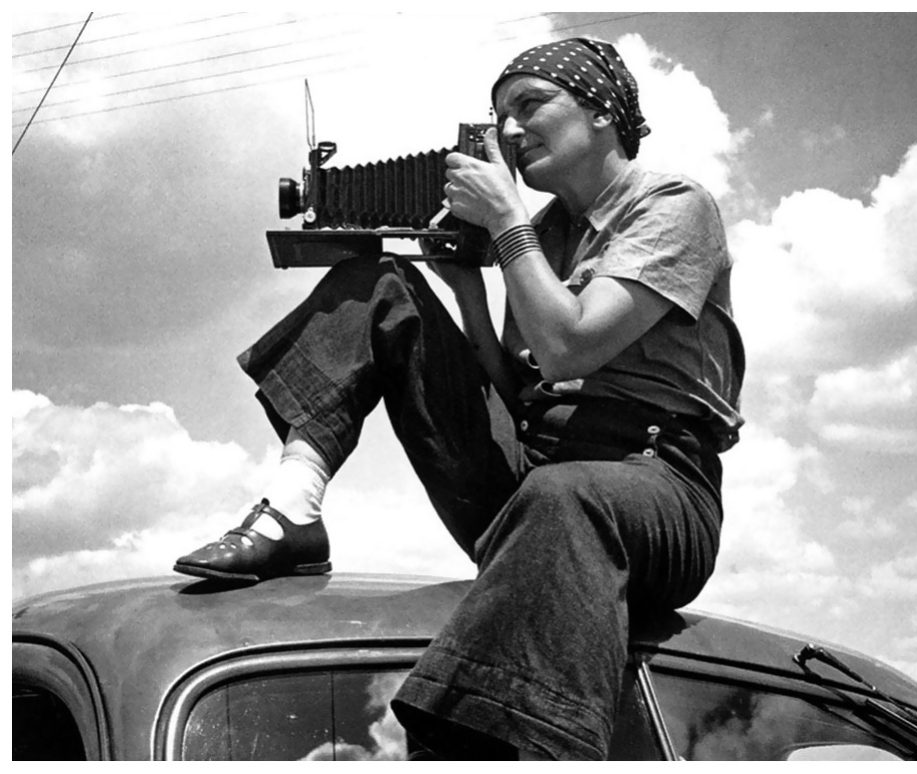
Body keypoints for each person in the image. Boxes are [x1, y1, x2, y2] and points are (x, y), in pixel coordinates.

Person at [174, 36, 744, 760]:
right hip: (540, 472)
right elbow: (523, 385)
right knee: (381, 286)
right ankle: (294, 505)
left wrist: (505, 226)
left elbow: (573, 345)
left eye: (530, 106)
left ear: (601, 111)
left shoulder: (672, 204)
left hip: (656, 483)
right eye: (500, 115)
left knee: (566, 499)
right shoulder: (543, 234)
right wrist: (467, 289)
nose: (509, 131)